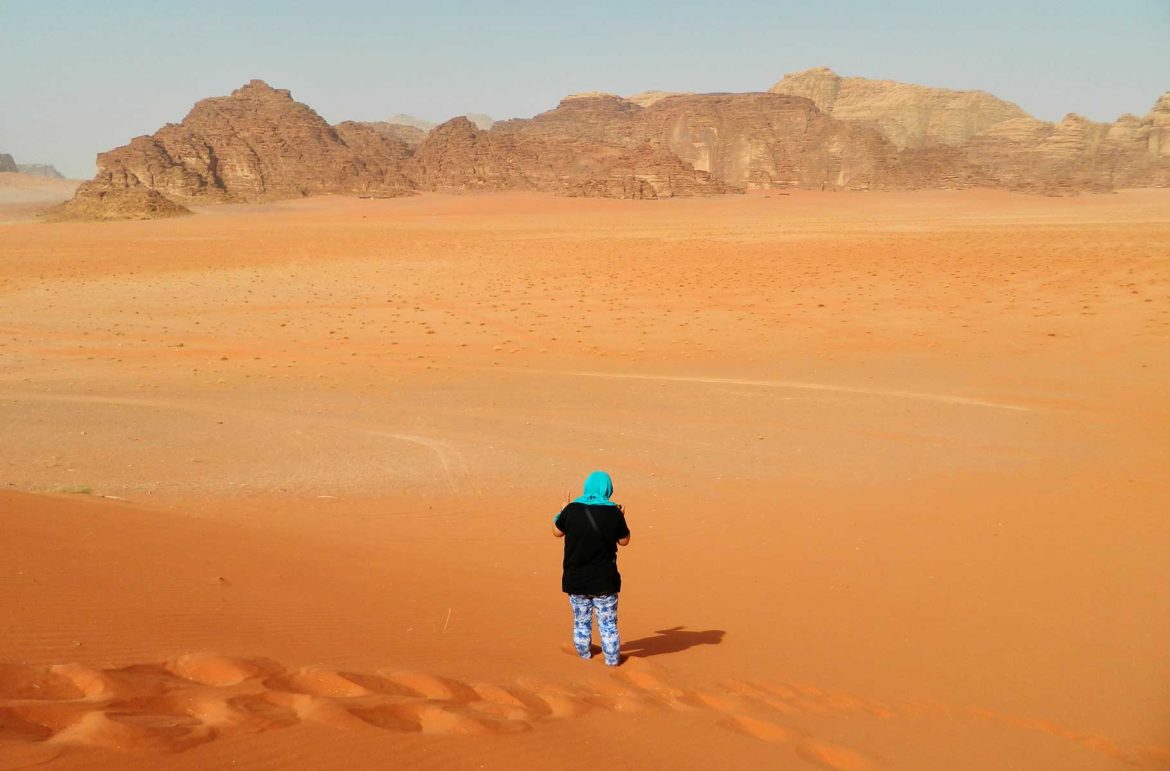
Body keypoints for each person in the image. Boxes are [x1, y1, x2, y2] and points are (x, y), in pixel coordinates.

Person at [552, 470, 631, 667]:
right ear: (608, 489)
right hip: (605, 581)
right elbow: (624, 541)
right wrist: (620, 518)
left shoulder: (572, 510)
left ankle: (584, 657)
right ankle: (612, 662)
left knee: (581, 621)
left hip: (576, 579)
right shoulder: (613, 512)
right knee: (608, 624)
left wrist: (563, 510)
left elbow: (556, 532)